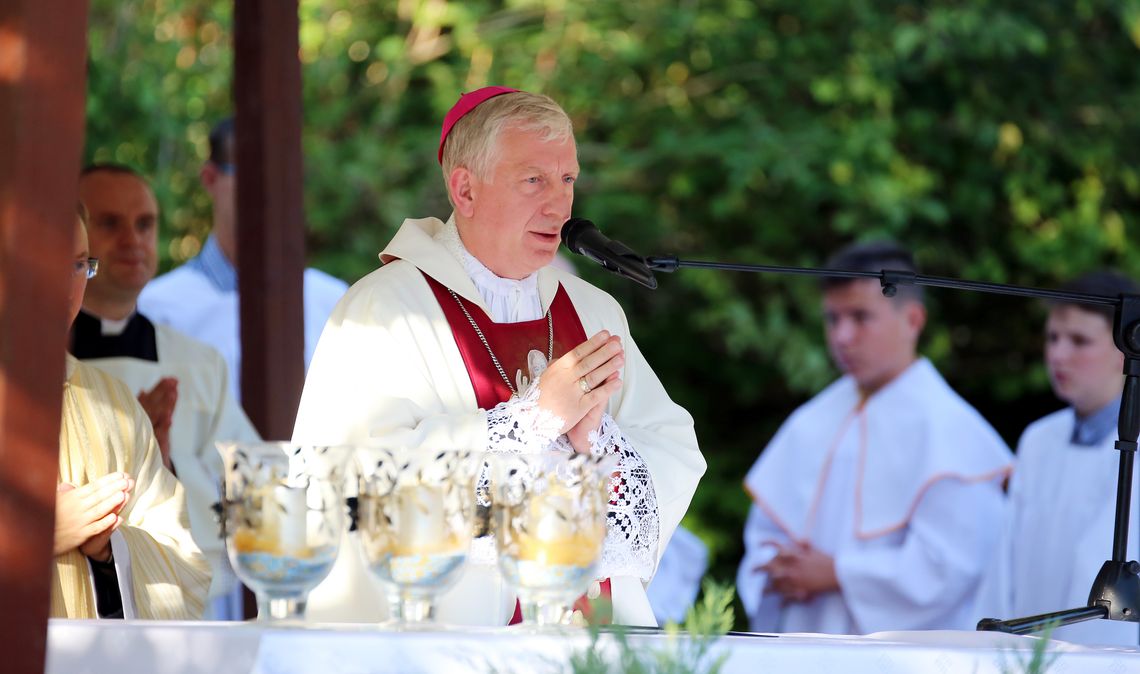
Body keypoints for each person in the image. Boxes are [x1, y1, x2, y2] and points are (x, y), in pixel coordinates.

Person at [292, 87, 706, 626]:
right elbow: (355, 481)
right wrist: (534, 421)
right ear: (465, 189)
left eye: (568, 180)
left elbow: (674, 452)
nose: (558, 204)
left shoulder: (594, 311)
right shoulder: (384, 309)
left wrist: (597, 446)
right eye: (533, 179)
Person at [736, 241, 1012, 634]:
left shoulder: (952, 432)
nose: (842, 336)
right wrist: (777, 570)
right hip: (799, 642)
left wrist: (836, 573)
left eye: (860, 317)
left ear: (913, 319)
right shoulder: (811, 420)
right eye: (832, 319)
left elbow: (952, 568)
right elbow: (765, 533)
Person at [71, 164, 260, 619]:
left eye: (145, 224)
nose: (133, 239)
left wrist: (161, 461)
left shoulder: (199, 363)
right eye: (110, 223)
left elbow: (250, 482)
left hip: (188, 600)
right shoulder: (35, 362)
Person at [54, 204, 209, 619]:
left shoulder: (114, 404)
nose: (66, 288)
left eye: (78, 265)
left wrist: (110, 547)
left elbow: (187, 565)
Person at [979, 271, 1140, 646]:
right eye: (1053, 338)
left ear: (1128, 347)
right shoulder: (1038, 439)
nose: (1058, 354)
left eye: (1079, 340)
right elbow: (1004, 565)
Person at [137, 118, 348, 399]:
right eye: (251, 173)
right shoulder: (157, 309)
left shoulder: (334, 302)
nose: (269, 190)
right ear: (210, 178)